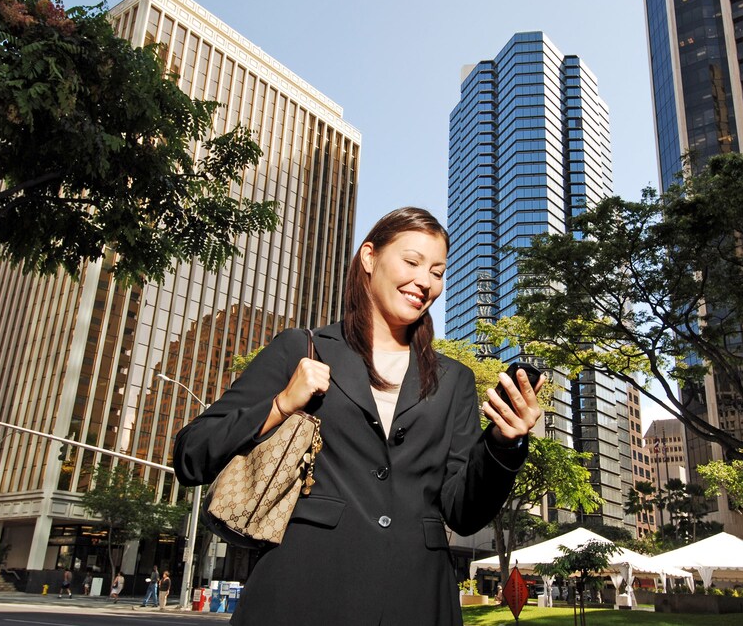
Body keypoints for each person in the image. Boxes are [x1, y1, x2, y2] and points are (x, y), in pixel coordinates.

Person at [174, 207, 544, 626]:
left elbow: (463, 511)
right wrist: (281, 404)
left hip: (418, 600)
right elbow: (191, 454)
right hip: (301, 592)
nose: (425, 281)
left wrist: (502, 443)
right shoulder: (301, 348)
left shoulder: (452, 379)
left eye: (438, 272)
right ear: (369, 258)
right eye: (412, 262)